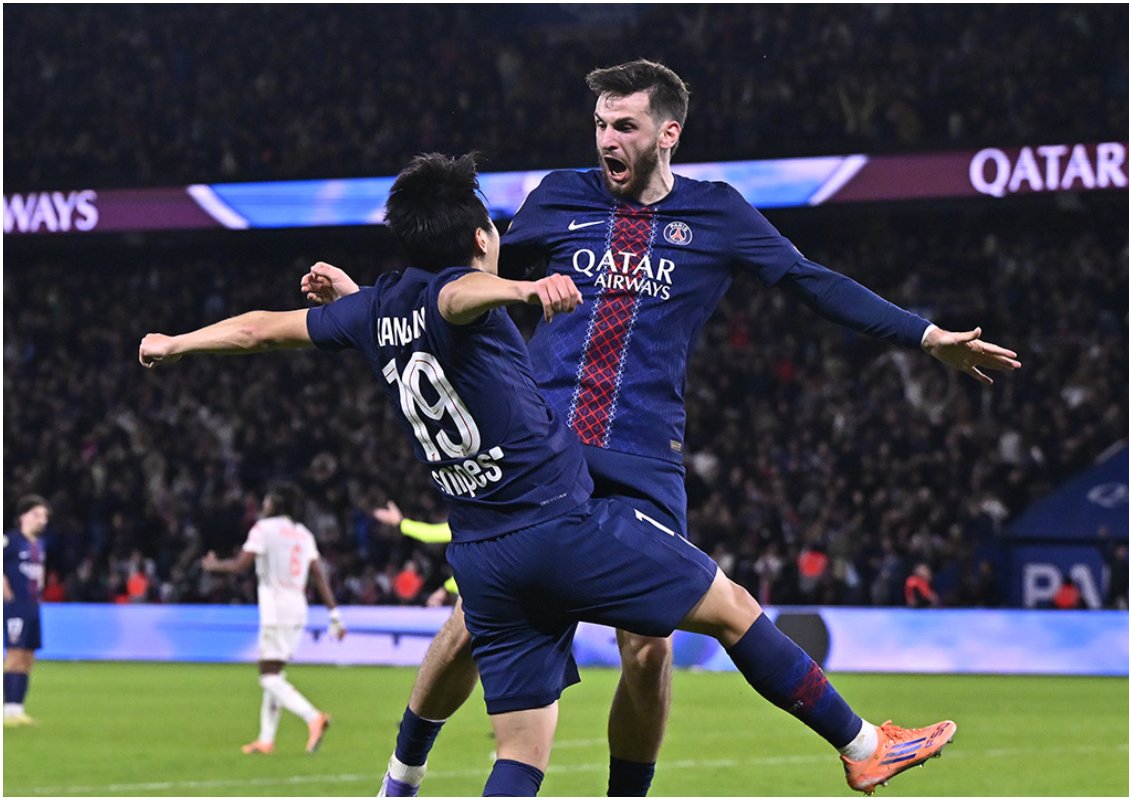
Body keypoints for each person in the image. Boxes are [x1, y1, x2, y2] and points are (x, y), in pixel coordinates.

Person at [302, 59, 1018, 796]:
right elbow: (458, 268)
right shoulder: (559, 197)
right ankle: (402, 777)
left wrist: (926, 337)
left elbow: (812, 282)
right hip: (546, 445)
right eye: (600, 125)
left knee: (650, 652)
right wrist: (368, 303)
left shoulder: (719, 214)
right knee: (469, 626)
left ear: (667, 133)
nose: (606, 139)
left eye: (624, 126)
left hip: (645, 456)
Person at [140, 151, 957, 796]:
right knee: (735, 610)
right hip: (563, 528)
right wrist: (526, 288)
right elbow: (461, 301)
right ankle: (863, 746)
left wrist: (176, 344)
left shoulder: (374, 311)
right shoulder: (470, 286)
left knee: (521, 755)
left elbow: (259, 330)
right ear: (477, 240)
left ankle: (401, 785)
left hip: (485, 557)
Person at [199, 481, 346, 754]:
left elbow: (240, 565)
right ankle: (266, 739)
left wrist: (214, 565)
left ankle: (313, 717)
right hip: (298, 606)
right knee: (275, 673)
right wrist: (334, 614)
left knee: (268, 677)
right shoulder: (304, 534)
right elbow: (318, 575)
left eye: (266, 501)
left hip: (276, 609)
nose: (263, 505)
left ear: (276, 504)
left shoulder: (263, 529)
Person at [3, 495, 50, 727]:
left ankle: (17, 709)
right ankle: (7, 710)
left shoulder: (38, 545)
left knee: (28, 657)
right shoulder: (10, 540)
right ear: (23, 516)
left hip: (33, 607)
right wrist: (5, 592)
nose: (42, 520)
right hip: (15, 607)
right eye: (37, 515)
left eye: (44, 517)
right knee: (14, 655)